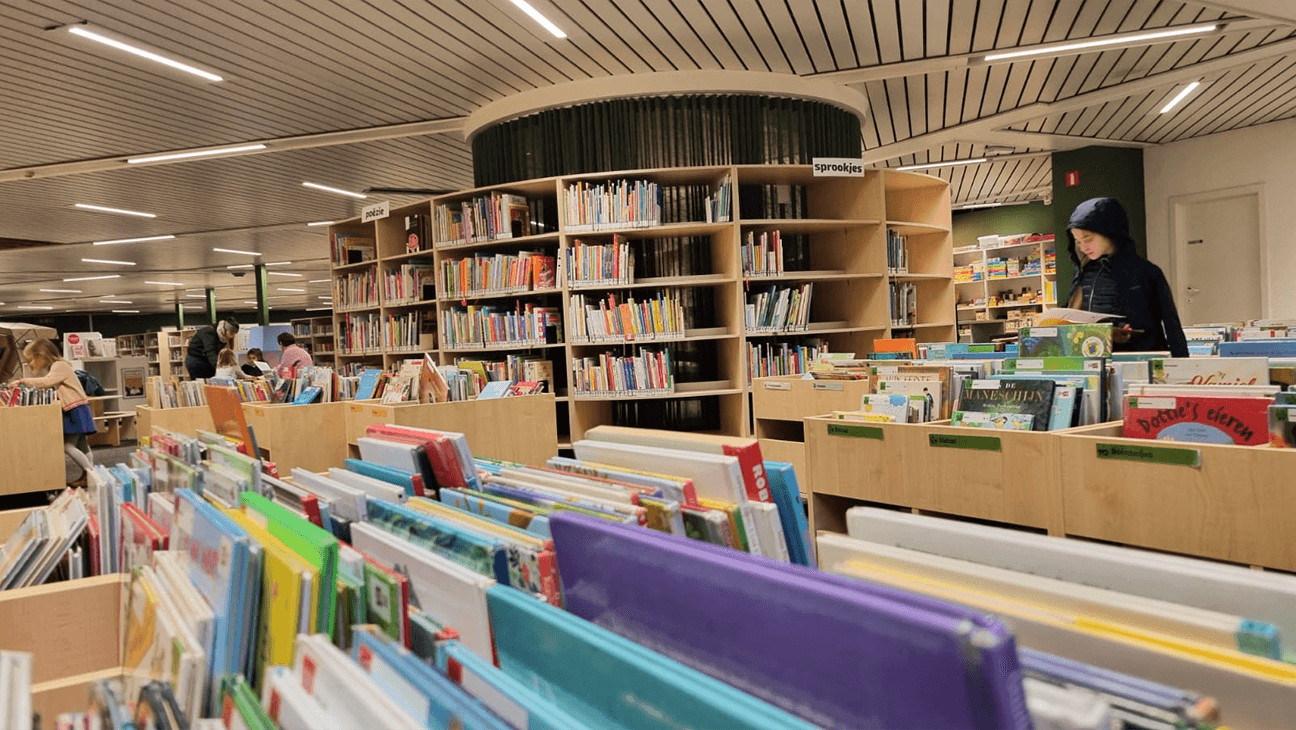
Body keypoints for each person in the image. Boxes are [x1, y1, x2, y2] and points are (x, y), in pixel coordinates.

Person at [1064, 197, 1189, 357]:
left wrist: (1183, 368)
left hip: (1144, 361)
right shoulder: (1084, 273)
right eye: (1077, 241)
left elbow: (1172, 327)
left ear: (1110, 232)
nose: (1083, 246)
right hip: (1098, 361)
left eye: (1087, 238)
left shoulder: (1148, 272)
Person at [9, 339, 95, 485]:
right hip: (78, 408)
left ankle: (91, 475)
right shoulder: (60, 366)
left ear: (41, 355)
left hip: (75, 409)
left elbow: (47, 381)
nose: (31, 363)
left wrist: (23, 382)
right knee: (82, 445)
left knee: (67, 447)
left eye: (32, 359)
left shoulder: (59, 365)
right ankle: (88, 475)